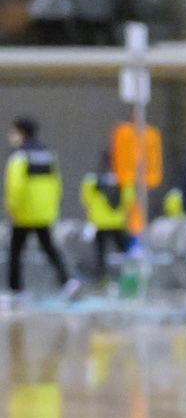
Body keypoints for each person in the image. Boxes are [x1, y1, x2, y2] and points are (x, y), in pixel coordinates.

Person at [6, 119, 71, 296]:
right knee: (49, 248)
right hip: (44, 213)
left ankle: (15, 289)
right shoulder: (49, 156)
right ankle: (67, 282)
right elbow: (57, 184)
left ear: (21, 132)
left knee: (15, 252)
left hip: (24, 214)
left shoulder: (20, 158)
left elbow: (15, 187)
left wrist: (12, 208)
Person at [81, 161, 132, 279]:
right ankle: (129, 274)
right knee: (126, 250)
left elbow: (86, 198)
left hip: (100, 223)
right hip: (118, 222)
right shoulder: (123, 180)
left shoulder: (93, 181)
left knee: (100, 253)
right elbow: (129, 199)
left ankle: (102, 276)